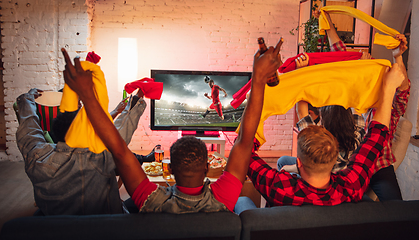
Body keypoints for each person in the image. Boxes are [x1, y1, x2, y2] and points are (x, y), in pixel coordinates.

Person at [60, 39, 283, 214]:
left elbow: (118, 149)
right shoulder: (223, 198)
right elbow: (245, 141)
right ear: (207, 167)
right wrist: (259, 77)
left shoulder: (150, 200)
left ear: (171, 170)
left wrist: (87, 96)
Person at [278, 11, 410, 201]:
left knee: (395, 207)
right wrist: (327, 21)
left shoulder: (384, 104)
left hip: (377, 166)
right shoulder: (343, 101)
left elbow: (403, 90)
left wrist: (398, 56)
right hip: (342, 166)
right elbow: (340, 53)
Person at [239, 60, 406, 209]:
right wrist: (389, 88)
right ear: (334, 160)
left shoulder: (279, 187)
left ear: (299, 163)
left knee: (243, 202)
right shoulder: (352, 185)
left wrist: (252, 106)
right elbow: (376, 137)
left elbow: (243, 150)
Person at [16, 85, 147, 215]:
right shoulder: (102, 157)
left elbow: (28, 127)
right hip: (106, 227)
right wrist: (138, 96)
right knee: (144, 201)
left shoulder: (36, 155)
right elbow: (124, 126)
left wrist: (27, 99)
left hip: (55, 228)